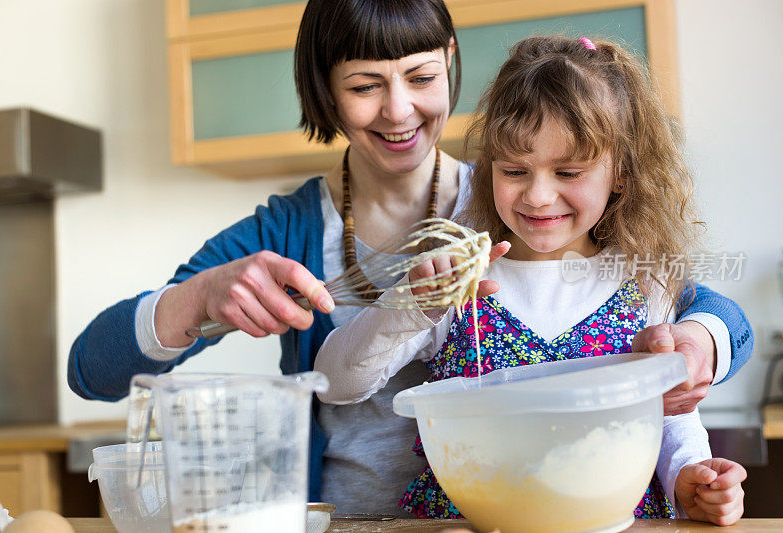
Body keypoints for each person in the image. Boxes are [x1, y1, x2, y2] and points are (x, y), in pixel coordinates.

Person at [67, 0, 752, 515]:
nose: (400, 110)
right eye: (365, 85)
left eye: (420, 76)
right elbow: (90, 369)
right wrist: (199, 298)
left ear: (449, 60)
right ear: (324, 91)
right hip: (359, 521)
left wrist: (701, 340)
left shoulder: (518, 192)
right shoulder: (287, 228)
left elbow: (696, 309)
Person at [314, 35, 747, 524]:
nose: (538, 196)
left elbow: (671, 417)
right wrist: (410, 307)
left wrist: (689, 475)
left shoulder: (646, 284)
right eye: (515, 170)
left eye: (568, 171)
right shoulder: (458, 283)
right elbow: (334, 383)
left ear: (621, 173)